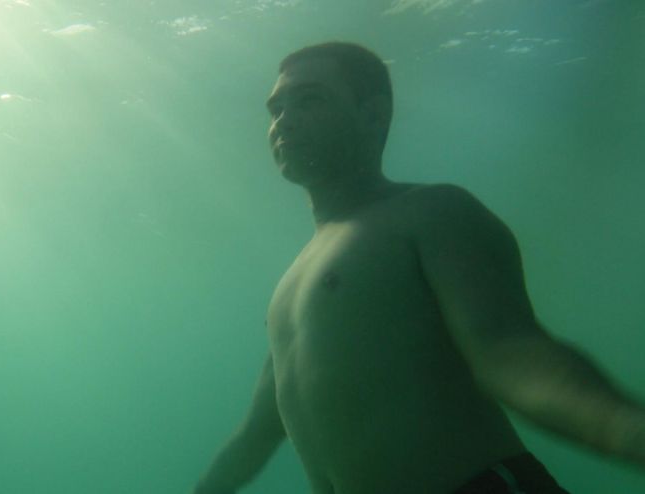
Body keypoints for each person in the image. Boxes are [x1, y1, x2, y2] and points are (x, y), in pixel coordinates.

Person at [192, 42, 645, 494]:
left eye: (310, 99)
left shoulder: (430, 211)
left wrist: (627, 431)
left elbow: (511, 352)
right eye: (276, 108)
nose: (284, 120)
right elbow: (257, 434)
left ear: (373, 115)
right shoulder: (289, 288)